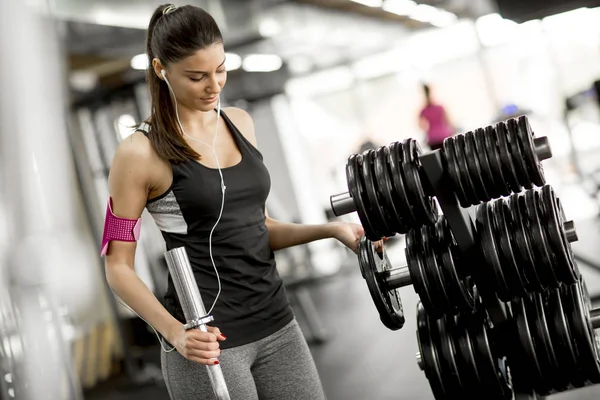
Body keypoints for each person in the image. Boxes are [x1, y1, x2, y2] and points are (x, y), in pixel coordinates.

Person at [103, 4, 381, 399]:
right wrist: (175, 333)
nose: (213, 86)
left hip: (278, 325)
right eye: (196, 76)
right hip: (208, 343)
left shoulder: (240, 124)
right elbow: (117, 266)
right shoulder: (138, 152)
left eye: (220, 69)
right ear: (161, 69)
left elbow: (259, 227)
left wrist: (332, 231)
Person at [418, 84, 454, 151]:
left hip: (432, 139)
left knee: (437, 160)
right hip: (445, 136)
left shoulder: (423, 110)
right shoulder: (440, 107)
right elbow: (449, 121)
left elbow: (420, 126)